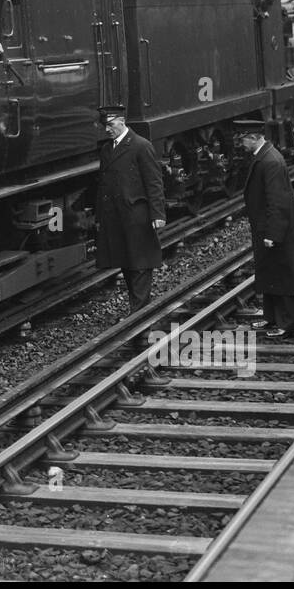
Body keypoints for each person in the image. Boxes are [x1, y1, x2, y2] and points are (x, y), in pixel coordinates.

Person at [95, 107, 170, 391]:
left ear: (121, 121)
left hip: (137, 218)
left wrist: (157, 213)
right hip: (117, 220)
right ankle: (137, 320)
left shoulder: (140, 146)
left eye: (110, 124)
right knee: (128, 267)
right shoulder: (107, 149)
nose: (107, 129)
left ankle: (140, 325)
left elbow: (154, 181)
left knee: (140, 267)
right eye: (105, 125)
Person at [234, 118, 294, 338]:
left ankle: (288, 325)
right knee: (269, 273)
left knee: (283, 276)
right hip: (266, 227)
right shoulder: (264, 156)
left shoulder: (270, 161)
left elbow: (278, 201)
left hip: (277, 230)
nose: (240, 144)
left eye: (242, 139)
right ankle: (271, 318)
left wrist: (273, 234)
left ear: (253, 138)